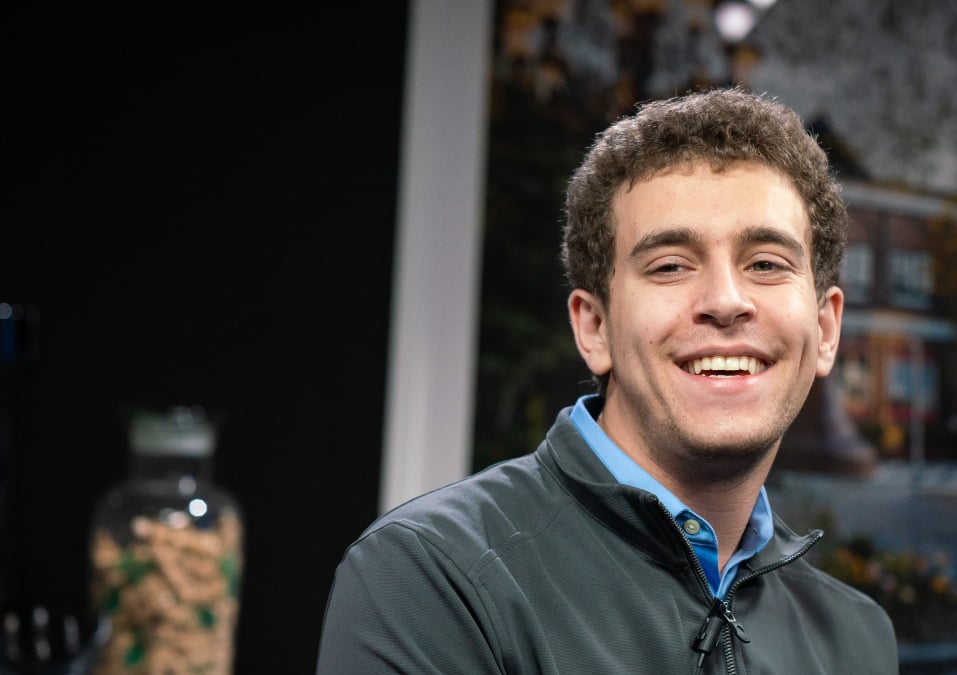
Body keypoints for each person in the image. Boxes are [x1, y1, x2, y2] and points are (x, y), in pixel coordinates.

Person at [316, 86, 899, 674]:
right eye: (670, 265)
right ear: (594, 328)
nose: (726, 301)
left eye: (766, 264)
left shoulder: (858, 640)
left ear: (825, 329)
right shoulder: (432, 579)